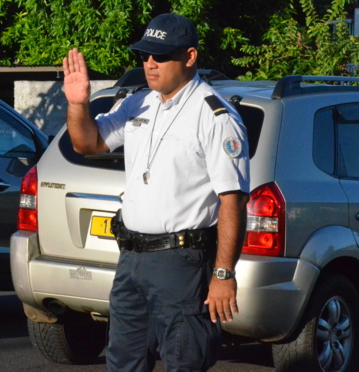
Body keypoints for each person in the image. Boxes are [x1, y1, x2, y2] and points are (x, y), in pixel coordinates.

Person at [62, 13, 250, 372]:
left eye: (161, 56)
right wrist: (77, 103)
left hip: (181, 262)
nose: (150, 63)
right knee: (123, 361)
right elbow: (87, 142)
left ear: (190, 57)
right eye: (145, 55)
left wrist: (224, 274)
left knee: (184, 359)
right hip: (132, 258)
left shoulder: (215, 115)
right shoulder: (139, 103)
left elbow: (232, 200)